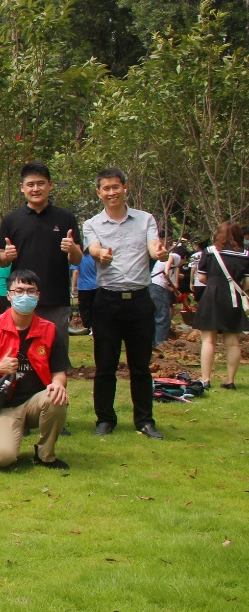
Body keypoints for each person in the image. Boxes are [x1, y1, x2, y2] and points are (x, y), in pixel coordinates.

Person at [82, 168, 171, 440]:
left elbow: (153, 245)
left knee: (140, 366)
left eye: (116, 187)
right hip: (107, 301)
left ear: (125, 188)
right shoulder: (92, 224)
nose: (112, 193)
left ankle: (144, 420)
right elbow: (93, 248)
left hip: (140, 301)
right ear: (99, 193)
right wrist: (100, 255)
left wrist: (159, 252)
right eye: (106, 188)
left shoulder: (145, 219)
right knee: (105, 366)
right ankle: (105, 420)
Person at [0, 269, 70, 468]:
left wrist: (58, 384)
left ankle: (45, 455)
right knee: (2, 458)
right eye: (19, 291)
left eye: (31, 291)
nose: (25, 296)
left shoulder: (50, 330)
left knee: (56, 397)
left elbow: (59, 370)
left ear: (38, 296)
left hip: (36, 402)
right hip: (4, 404)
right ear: (9, 295)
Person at [0, 162, 81, 380]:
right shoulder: (11, 220)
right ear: (22, 188)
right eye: (31, 184)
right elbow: (2, 261)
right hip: (21, 299)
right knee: (19, 356)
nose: (36, 189)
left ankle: (55, 396)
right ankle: (19, 397)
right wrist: (6, 256)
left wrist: (72, 249)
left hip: (55, 300)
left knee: (55, 358)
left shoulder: (65, 218)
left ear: (50, 185)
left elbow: (77, 258)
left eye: (41, 183)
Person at [194, 222, 248, 391]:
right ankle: (230, 381)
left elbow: (202, 278)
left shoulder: (210, 252)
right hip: (233, 297)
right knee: (232, 341)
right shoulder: (245, 255)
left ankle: (205, 379)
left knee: (208, 339)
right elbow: (247, 283)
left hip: (212, 296)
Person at [149, 241, 181, 347]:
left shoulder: (169, 265)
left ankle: (153, 342)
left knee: (156, 315)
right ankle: (161, 344)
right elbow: (170, 257)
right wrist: (167, 270)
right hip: (157, 288)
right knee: (163, 317)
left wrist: (175, 291)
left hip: (154, 286)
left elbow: (166, 285)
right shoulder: (177, 257)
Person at [73, 244, 98, 333]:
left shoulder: (79, 258)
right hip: (96, 285)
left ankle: (87, 327)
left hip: (84, 287)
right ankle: (95, 327)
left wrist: (73, 286)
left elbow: (76, 272)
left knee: (84, 308)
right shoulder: (93, 258)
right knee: (95, 307)